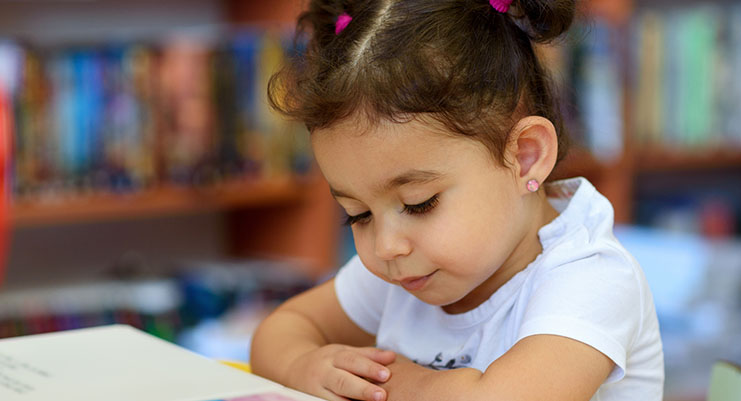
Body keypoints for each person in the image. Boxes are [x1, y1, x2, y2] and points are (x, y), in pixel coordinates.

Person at [250, 0, 664, 400]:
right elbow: (282, 329)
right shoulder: (407, 272)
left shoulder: (591, 276)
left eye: (419, 203)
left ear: (525, 157)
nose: (385, 246)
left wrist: (389, 383)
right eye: (357, 215)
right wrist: (305, 366)